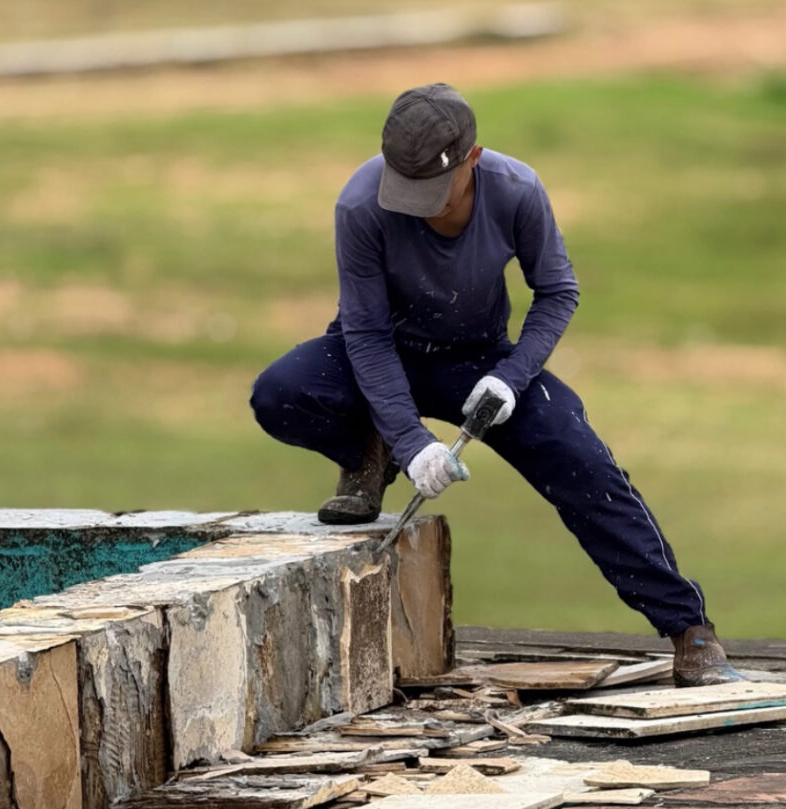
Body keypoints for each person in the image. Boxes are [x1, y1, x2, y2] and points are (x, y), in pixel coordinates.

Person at [250, 82, 740, 687]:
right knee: (281, 392)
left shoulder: (516, 190)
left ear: (472, 159)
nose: (418, 207)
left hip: (479, 362)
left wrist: (510, 378)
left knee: (580, 458)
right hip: (380, 351)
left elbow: (558, 292)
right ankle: (366, 453)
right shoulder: (361, 205)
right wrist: (408, 440)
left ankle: (688, 629)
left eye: (432, 191)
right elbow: (367, 334)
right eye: (406, 190)